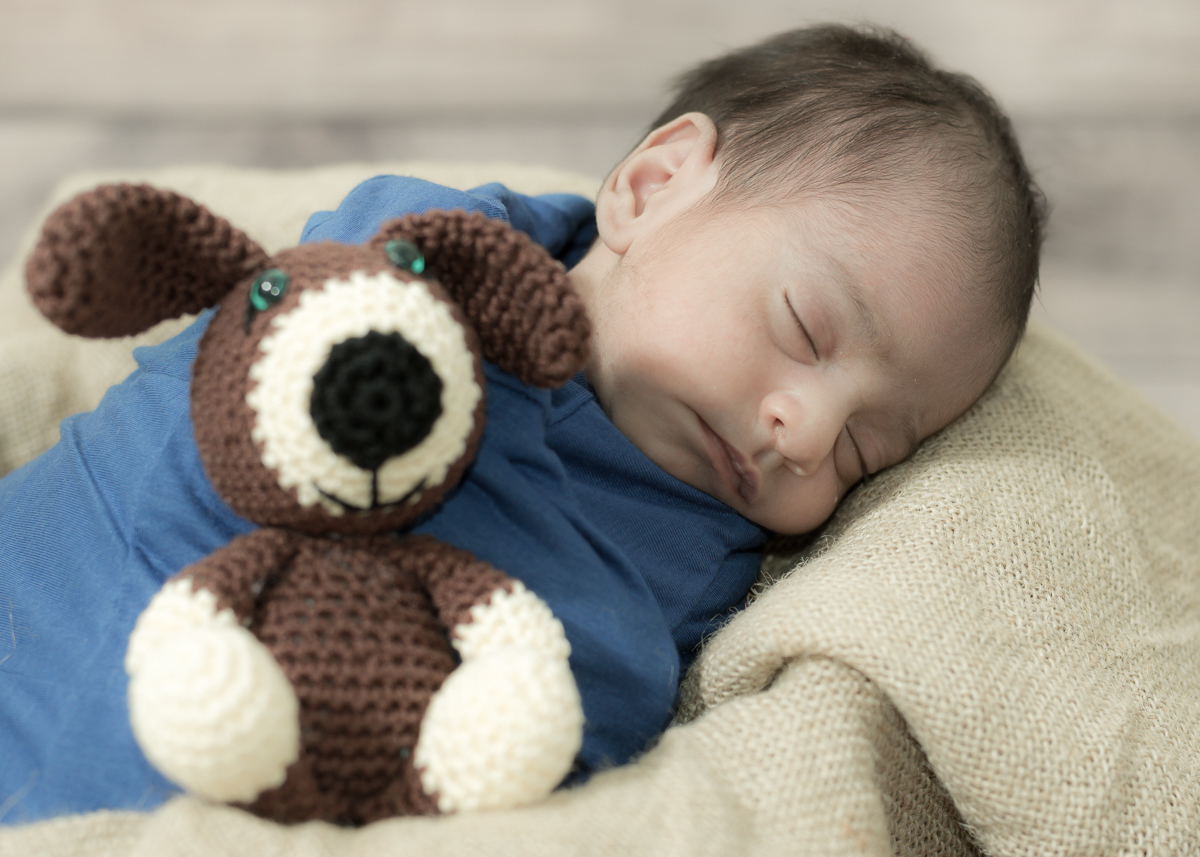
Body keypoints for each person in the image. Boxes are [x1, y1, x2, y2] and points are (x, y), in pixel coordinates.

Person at [0, 23, 1045, 822]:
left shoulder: (703, 560)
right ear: (654, 186)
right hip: (53, 600)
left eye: (867, 447)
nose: (806, 435)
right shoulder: (418, 252)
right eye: (805, 327)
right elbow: (265, 403)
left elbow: (578, 726)